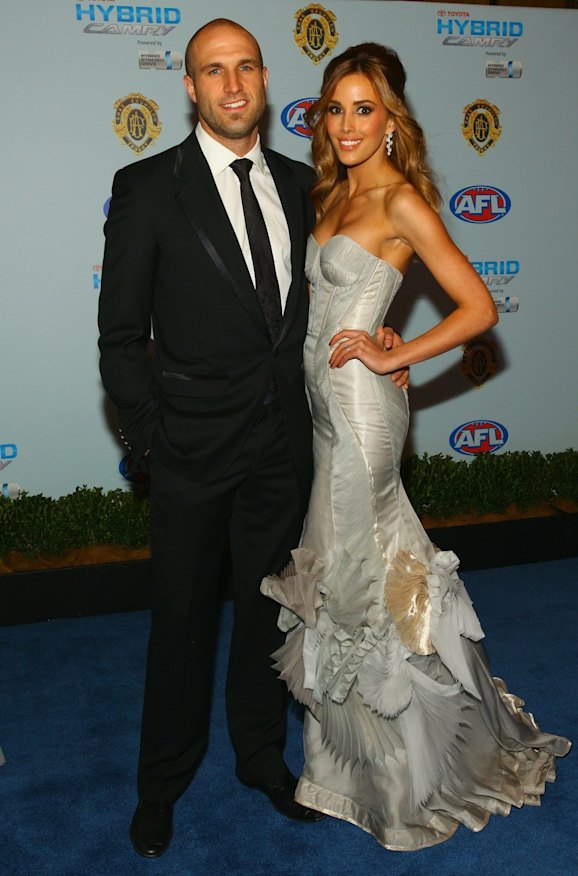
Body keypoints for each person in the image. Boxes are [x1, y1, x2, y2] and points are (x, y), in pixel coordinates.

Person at [98, 19, 406, 859]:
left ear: (264, 80)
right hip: (191, 454)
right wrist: (155, 444)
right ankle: (160, 783)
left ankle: (262, 759)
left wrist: (387, 349)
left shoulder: (308, 184)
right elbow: (121, 339)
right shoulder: (146, 188)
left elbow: (336, 300)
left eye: (245, 68)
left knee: (273, 620)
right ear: (191, 88)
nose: (232, 85)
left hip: (284, 452)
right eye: (213, 71)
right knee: (182, 624)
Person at [261, 43, 571, 851]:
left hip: (364, 414)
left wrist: (396, 354)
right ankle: (354, 762)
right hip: (324, 412)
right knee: (351, 572)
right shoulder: (330, 191)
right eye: (337, 108)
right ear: (323, 118)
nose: (349, 122)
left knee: (361, 579)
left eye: (366, 109)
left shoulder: (399, 201)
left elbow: (476, 307)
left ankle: (399, 776)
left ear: (391, 120)